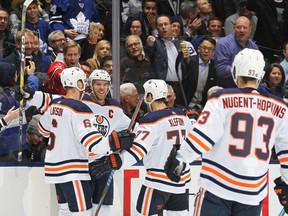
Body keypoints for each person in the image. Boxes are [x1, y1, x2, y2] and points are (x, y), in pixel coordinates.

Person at [164, 48, 288, 216]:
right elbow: (286, 152)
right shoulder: (280, 108)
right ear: (260, 74)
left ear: (235, 70)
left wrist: (180, 160)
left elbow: (201, 138)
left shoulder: (221, 98)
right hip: (252, 193)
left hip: (217, 187)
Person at [91, 79, 193, 215]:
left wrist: (110, 163)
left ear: (150, 96)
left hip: (158, 183)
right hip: (182, 181)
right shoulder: (182, 116)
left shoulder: (152, 119)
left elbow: (137, 152)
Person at [38, 67, 113, 216]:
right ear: (77, 83)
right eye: (83, 81)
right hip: (72, 171)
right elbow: (93, 144)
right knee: (82, 213)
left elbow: (43, 130)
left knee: (65, 212)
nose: (84, 86)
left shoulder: (55, 105)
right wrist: (114, 143)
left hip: (55, 170)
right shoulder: (80, 108)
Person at [146, 15, 192, 107]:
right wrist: (150, 42)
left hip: (180, 87)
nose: (163, 27)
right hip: (163, 87)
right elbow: (151, 46)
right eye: (160, 25)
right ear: (157, 28)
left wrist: (187, 59)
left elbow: (188, 67)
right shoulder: (156, 43)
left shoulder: (179, 44)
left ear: (171, 26)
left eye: (166, 24)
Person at [214, 16, 258, 88]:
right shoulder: (223, 44)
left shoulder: (254, 47)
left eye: (245, 27)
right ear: (234, 28)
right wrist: (242, 69)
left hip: (246, 89)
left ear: (250, 30)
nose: (241, 30)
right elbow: (221, 69)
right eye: (238, 27)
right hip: (226, 88)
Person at [183, 36, 218, 111]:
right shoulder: (190, 62)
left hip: (203, 107)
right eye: (204, 48)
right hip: (186, 104)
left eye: (210, 49)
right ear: (198, 49)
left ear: (213, 52)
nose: (206, 51)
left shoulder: (214, 67)